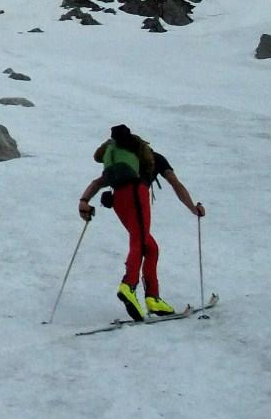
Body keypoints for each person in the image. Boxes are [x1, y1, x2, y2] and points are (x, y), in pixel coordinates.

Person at [77, 123, 205, 321]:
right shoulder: (155, 159)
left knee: (150, 247)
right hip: (137, 194)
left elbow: (97, 183)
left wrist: (84, 201)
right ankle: (128, 285)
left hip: (119, 201)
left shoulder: (123, 161)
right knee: (139, 241)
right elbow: (176, 184)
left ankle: (153, 298)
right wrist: (193, 208)